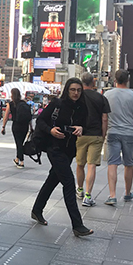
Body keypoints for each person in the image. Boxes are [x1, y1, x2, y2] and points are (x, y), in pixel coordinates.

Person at [30, 78, 93, 237]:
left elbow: (87, 125)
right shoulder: (57, 104)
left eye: (78, 90)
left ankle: (37, 210)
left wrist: (81, 128)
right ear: (67, 90)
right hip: (54, 148)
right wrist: (51, 130)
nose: (76, 93)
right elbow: (41, 121)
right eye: (72, 89)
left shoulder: (82, 106)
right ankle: (77, 225)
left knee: (53, 179)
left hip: (69, 150)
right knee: (69, 183)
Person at [103, 70, 133, 205]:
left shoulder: (107, 94)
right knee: (128, 164)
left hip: (113, 131)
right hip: (129, 133)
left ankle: (112, 195)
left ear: (115, 79)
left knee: (112, 163)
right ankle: (127, 193)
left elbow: (105, 116)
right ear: (128, 80)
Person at [75, 72, 111, 206]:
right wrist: (103, 134)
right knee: (91, 165)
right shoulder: (101, 98)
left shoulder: (78, 97)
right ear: (93, 82)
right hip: (96, 134)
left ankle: (79, 189)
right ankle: (88, 196)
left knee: (80, 164)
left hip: (80, 134)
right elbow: (105, 118)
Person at [1, 88, 33, 168]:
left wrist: (3, 126)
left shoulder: (11, 104)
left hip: (16, 125)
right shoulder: (24, 103)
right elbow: (29, 116)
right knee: (20, 143)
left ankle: (21, 161)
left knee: (18, 143)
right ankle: (17, 159)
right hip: (25, 126)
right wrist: (31, 127)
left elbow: (6, 116)